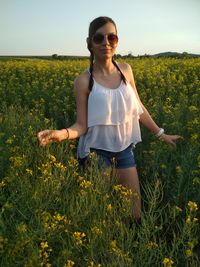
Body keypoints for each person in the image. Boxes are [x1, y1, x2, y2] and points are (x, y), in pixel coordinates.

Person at [37, 16, 183, 222]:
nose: (106, 42)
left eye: (111, 37)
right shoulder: (83, 81)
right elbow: (81, 125)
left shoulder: (126, 70)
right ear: (90, 44)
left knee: (135, 215)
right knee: (104, 215)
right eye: (99, 38)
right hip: (96, 153)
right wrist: (61, 134)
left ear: (117, 41)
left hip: (124, 150)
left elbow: (138, 108)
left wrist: (161, 134)